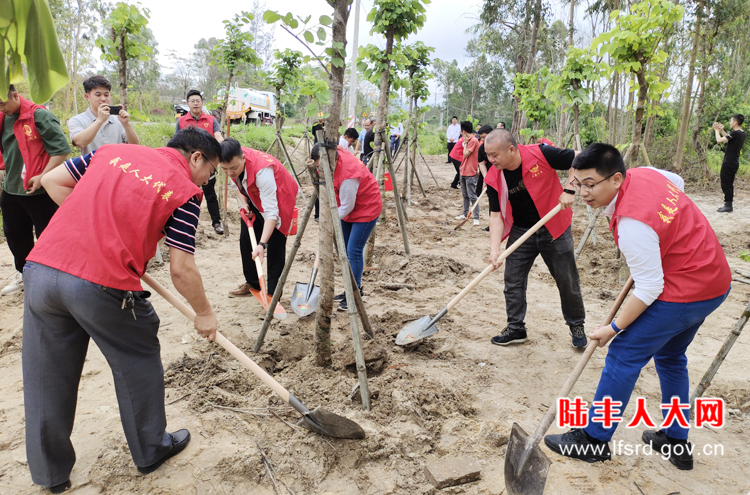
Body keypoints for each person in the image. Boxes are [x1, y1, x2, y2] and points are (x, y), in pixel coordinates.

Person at [24, 126, 222, 492]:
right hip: (100, 283)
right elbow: (181, 269)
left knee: (45, 374)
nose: (208, 180)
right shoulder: (185, 192)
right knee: (139, 356)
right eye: (210, 171)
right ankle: (151, 448)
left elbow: (53, 180)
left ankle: (50, 474)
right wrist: (205, 313)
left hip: (41, 271)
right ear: (196, 156)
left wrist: (94, 228)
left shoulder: (111, 152)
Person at [545, 144, 731, 470]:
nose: (583, 192)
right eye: (577, 182)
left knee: (622, 353)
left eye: (591, 183)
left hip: (685, 290)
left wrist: (614, 328)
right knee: (672, 357)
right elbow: (677, 183)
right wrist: (661, 243)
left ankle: (594, 440)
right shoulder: (647, 174)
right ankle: (675, 440)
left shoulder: (633, 224)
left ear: (616, 178)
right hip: (714, 281)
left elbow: (650, 287)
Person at [483, 129, 586, 348]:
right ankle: (516, 328)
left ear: (511, 150)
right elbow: (495, 216)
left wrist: (570, 187)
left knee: (566, 280)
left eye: (494, 155)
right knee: (512, 280)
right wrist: (494, 250)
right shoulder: (494, 176)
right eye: (488, 155)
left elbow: (579, 156)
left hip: (554, 226)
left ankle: (576, 325)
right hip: (522, 230)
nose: (490, 160)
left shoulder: (542, 153)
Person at [0, 84, 71, 296]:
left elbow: (61, 150)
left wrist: (42, 176)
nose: (1, 108)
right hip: (11, 190)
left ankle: (53, 281)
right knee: (15, 236)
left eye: (2, 103)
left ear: (15, 95)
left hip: (39, 192)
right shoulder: (3, 118)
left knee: (48, 237)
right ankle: (25, 275)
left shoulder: (39, 116)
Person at [220, 138, 299, 300]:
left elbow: (271, 214)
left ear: (243, 158)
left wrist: (262, 244)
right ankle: (253, 283)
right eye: (224, 169)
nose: (229, 173)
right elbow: (237, 186)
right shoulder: (232, 164)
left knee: (275, 245)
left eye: (233, 168)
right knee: (246, 240)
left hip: (279, 197)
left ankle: (272, 295)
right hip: (254, 195)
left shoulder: (263, 172)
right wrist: (245, 205)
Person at [310, 143, 382, 311]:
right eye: (318, 166)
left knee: (353, 251)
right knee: (345, 249)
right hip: (347, 207)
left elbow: (347, 207)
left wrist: (327, 220)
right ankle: (349, 289)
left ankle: (354, 293)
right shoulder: (334, 150)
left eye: (322, 166)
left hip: (366, 208)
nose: (321, 170)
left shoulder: (348, 174)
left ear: (334, 159)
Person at [176, 89, 225, 234]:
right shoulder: (181, 121)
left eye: (198, 101)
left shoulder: (211, 120)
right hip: (188, 166)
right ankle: (186, 224)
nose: (195, 103)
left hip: (207, 165)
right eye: (192, 101)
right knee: (186, 195)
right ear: (187, 104)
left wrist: (224, 145)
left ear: (202, 103)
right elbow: (176, 142)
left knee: (210, 194)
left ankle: (216, 223)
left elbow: (218, 137)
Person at [68, 75, 139, 156]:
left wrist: (126, 124)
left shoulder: (118, 120)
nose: (103, 99)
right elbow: (80, 142)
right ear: (87, 96)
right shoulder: (77, 120)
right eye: (98, 95)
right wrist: (99, 120)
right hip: (92, 167)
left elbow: (135, 146)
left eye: (106, 95)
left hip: (116, 166)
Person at [713, 114, 746, 212]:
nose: (730, 123)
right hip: (734, 162)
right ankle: (728, 204)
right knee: (729, 183)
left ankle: (728, 205)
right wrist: (722, 130)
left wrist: (716, 130)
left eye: (731, 121)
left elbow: (719, 140)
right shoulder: (741, 133)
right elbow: (729, 139)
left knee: (726, 183)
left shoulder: (736, 133)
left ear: (736, 122)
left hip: (729, 162)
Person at [454, 121, 481, 226]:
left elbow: (465, 154)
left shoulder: (473, 141)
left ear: (464, 131)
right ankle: (464, 213)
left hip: (471, 172)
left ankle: (476, 217)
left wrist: (465, 143)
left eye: (461, 131)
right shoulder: (469, 140)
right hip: (463, 170)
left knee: (472, 195)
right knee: (465, 195)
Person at [476, 125, 494, 230]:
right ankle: (492, 224)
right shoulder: (482, 148)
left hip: (505, 177)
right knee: (492, 200)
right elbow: (481, 164)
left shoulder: (501, 145)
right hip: (491, 178)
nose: (482, 140)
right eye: (481, 137)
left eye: (484, 137)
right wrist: (487, 178)